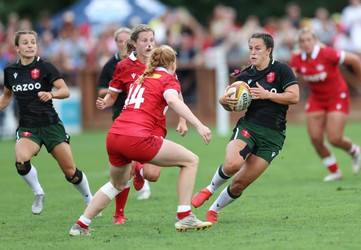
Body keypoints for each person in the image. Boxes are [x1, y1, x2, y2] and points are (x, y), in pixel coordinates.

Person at [69, 45, 212, 235]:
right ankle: (184, 216)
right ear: (172, 63)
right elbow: (172, 100)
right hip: (137, 137)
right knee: (191, 160)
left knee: (116, 184)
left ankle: (81, 224)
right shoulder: (167, 78)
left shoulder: (141, 78)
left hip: (114, 136)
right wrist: (199, 125)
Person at [191, 32, 299, 223]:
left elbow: (294, 97)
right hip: (249, 127)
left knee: (240, 184)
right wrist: (223, 101)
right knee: (233, 164)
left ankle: (213, 210)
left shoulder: (282, 70)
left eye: (257, 48)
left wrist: (268, 95)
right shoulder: (244, 76)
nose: (253, 52)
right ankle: (209, 189)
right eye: (250, 48)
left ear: (269, 50)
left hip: (273, 137)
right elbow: (231, 105)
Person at [97, 24, 188, 224]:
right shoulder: (123, 66)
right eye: (144, 40)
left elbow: (176, 93)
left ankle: (139, 170)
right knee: (125, 170)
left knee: (152, 175)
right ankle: (119, 214)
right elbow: (112, 95)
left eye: (151, 40)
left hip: (156, 124)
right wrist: (106, 102)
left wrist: (182, 119)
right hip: (131, 122)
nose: (149, 44)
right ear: (134, 43)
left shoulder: (160, 61)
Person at [0, 30, 95, 215]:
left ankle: (89, 199)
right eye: (25, 43)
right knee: (20, 160)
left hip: (51, 126)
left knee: (71, 173)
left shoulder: (45, 67)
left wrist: (51, 93)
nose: (30, 45)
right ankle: (38, 192)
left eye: (33, 42)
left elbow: (65, 90)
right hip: (28, 127)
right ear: (17, 48)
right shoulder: (10, 71)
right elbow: (6, 97)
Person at [289, 29, 361, 181]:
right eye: (303, 41)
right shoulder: (296, 59)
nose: (306, 43)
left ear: (315, 41)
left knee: (334, 138)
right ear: (299, 44)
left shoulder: (327, 53)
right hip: (317, 99)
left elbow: (354, 59)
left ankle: (354, 151)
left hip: (337, 97)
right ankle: (335, 172)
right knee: (316, 139)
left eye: (309, 40)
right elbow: (291, 75)